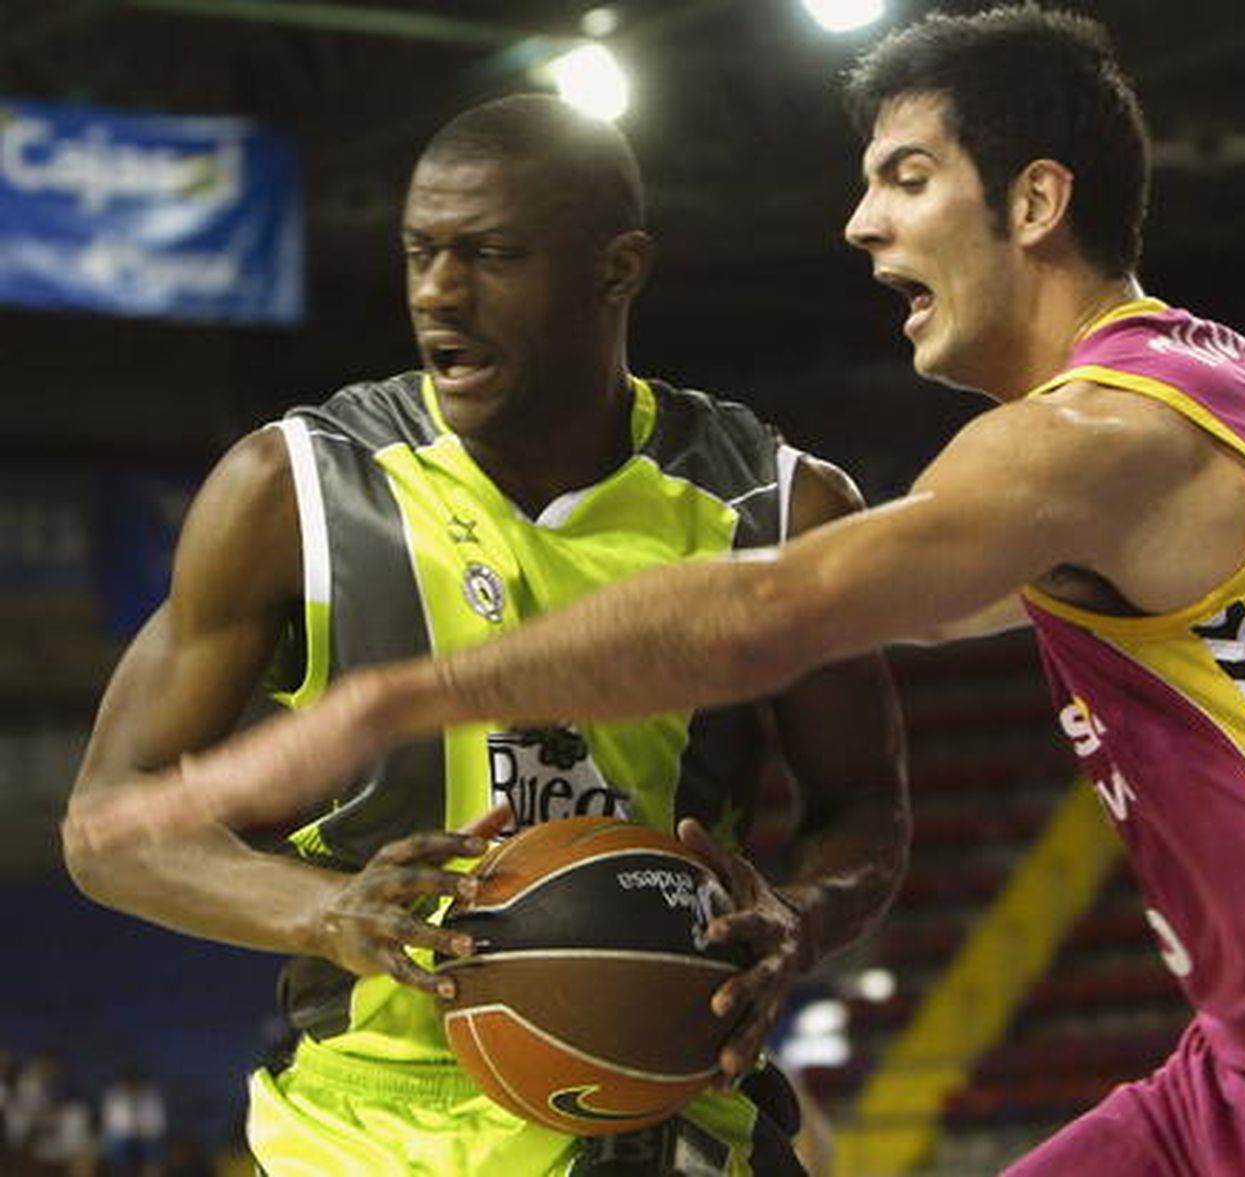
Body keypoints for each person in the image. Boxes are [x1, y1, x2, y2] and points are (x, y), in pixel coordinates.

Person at [66, 6, 1245, 1175]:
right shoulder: (1204, 387)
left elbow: (769, 613)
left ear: (1037, 201)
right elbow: (875, 610)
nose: (864, 225)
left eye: (907, 179)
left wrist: (405, 694)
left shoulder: (1097, 437)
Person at [63, 94, 909, 1176]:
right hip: (368, 1131)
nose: (436, 293)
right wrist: (327, 912)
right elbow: (109, 823)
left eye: (490, 254)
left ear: (618, 270)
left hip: (659, 1109)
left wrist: (796, 913)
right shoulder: (293, 490)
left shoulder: (775, 507)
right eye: (421, 252)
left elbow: (864, 804)